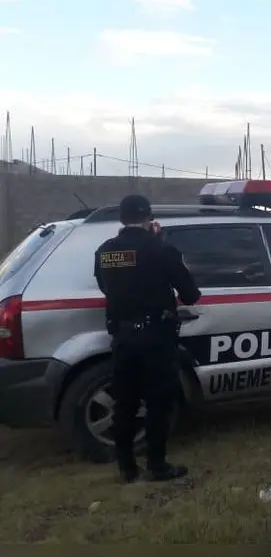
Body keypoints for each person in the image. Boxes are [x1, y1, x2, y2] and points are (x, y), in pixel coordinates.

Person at [94, 195, 201, 483]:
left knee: (125, 403)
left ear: (121, 219)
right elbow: (190, 293)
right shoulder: (161, 249)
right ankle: (157, 465)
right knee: (158, 402)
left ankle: (127, 468)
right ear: (149, 217)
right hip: (155, 336)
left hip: (122, 336)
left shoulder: (105, 251)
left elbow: (105, 286)